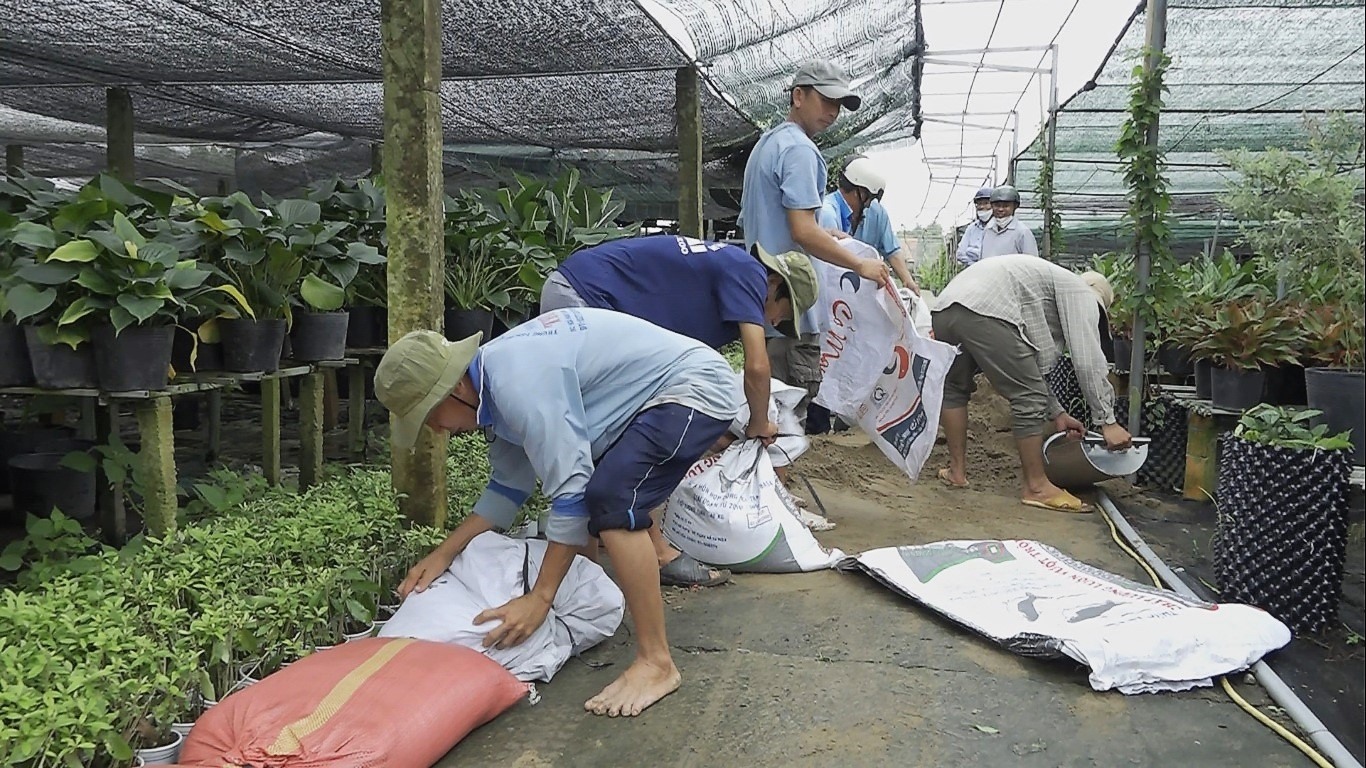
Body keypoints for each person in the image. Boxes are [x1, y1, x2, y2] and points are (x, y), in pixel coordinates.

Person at [377, 309, 737, 718]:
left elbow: (571, 492)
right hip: (652, 400)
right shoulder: (492, 391)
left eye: (429, 416)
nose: (436, 431)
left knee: (613, 500)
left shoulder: (517, 382)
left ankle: (657, 663)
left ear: (456, 387)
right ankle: (596, 599)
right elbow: (507, 488)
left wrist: (540, 597)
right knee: (593, 493)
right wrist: (443, 553)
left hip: (693, 387)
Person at [539, 233, 820, 572]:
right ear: (775, 283)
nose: (774, 323)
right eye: (782, 314)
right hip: (584, 297)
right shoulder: (750, 273)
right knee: (625, 423)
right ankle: (643, 546)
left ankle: (596, 544)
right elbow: (757, 366)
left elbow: (685, 385)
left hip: (583, 293)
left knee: (615, 422)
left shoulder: (716, 286)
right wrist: (758, 421)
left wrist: (718, 436)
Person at [738, 59, 891, 430]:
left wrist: (827, 234)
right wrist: (860, 265)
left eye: (839, 105)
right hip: (792, 308)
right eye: (826, 101)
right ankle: (780, 484)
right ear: (798, 96)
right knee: (790, 416)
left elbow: (767, 222)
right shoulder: (801, 151)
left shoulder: (767, 145)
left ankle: (767, 483)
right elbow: (802, 231)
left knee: (767, 407)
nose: (833, 112)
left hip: (764, 301)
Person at [931, 254, 1131, 513]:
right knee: (1029, 396)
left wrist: (1057, 412)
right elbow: (1087, 361)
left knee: (954, 388)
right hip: (985, 309)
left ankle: (956, 473)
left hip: (946, 307)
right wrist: (1108, 421)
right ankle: (1037, 487)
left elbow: (1025, 368)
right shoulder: (1082, 294)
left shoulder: (1044, 289)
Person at [819, 156, 920, 292]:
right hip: (835, 291)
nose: (870, 203)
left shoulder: (876, 213)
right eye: (869, 197)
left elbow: (892, 250)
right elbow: (829, 267)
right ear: (858, 192)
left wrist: (908, 281)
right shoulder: (827, 214)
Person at [979, 185, 1038, 259]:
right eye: (997, 205)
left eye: (1005, 206)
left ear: (1015, 206)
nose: (1000, 209)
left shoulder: (1022, 232)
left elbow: (1032, 262)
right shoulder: (988, 229)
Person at [954, 186, 995, 266]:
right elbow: (960, 254)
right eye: (979, 204)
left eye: (986, 203)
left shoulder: (998, 227)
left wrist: (971, 251)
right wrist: (975, 265)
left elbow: (995, 256)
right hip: (972, 271)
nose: (982, 207)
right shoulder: (972, 228)